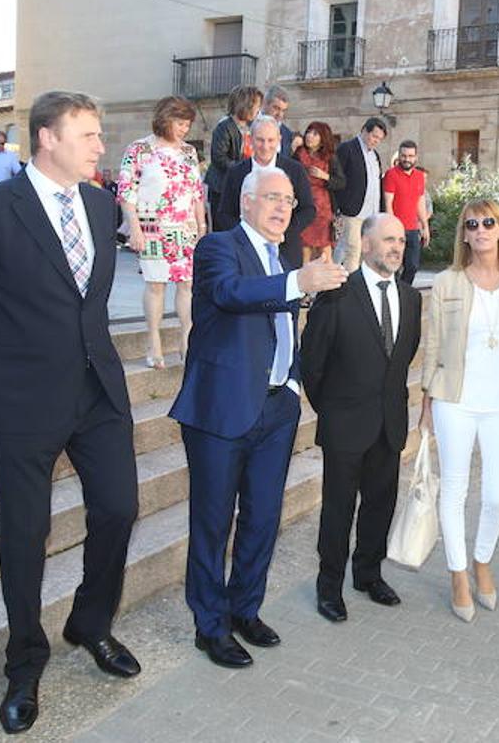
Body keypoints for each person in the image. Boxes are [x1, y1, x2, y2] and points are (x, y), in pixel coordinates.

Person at [0, 91, 141, 734]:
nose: (99, 145)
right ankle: (24, 662)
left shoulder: (102, 205)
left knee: (119, 507)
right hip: (23, 397)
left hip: (96, 390)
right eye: (88, 134)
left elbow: (90, 303)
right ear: (47, 138)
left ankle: (90, 622)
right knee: (25, 535)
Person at [169, 168, 348, 669]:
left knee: (263, 518)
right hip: (222, 409)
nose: (282, 208)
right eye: (272, 198)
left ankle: (245, 608)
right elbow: (230, 294)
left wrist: (290, 384)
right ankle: (210, 626)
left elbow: (282, 324)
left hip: (276, 408)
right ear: (246, 201)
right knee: (212, 522)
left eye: (290, 201)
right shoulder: (217, 248)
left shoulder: (284, 256)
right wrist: (297, 281)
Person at [420, 199, 499, 623]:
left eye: (488, 222)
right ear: (464, 234)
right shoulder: (447, 282)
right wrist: (425, 402)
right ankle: (458, 573)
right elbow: (433, 345)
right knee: (454, 490)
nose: (480, 230)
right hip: (454, 399)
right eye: (471, 224)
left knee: (497, 494)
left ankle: (482, 559)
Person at [302, 214, 422, 622]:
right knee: (338, 510)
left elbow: (403, 360)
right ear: (366, 245)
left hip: (389, 424)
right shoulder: (336, 293)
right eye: (387, 240)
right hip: (344, 424)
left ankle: (368, 574)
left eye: (401, 242)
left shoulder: (411, 298)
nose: (395, 248)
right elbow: (312, 363)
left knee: (380, 505)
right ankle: (329, 587)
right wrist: (333, 410)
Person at [116, 97, 207, 368]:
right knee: (156, 284)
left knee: (187, 285)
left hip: (185, 226)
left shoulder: (189, 152)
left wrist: (202, 227)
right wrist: (134, 228)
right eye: (180, 123)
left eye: (187, 125)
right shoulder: (139, 149)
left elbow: (196, 192)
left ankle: (187, 339)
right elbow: (126, 191)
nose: (184, 129)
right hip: (151, 225)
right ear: (165, 119)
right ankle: (153, 340)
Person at [214, 116, 316, 268]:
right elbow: (224, 214)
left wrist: (281, 232)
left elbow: (308, 210)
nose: (265, 146)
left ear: (279, 139)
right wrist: (246, 236)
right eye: (260, 140)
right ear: (250, 139)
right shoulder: (236, 173)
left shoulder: (295, 170)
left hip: (286, 250)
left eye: (271, 140)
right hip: (245, 253)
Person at [332, 117, 387, 271]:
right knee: (353, 250)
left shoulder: (375, 156)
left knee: (355, 249)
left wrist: (381, 211)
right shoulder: (347, 149)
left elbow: (377, 184)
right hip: (352, 211)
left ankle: (331, 278)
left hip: (371, 213)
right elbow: (337, 179)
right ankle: (351, 290)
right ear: (364, 130)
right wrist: (338, 207)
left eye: (379, 139)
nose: (376, 141)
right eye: (374, 136)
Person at [204, 85, 262, 220]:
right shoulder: (224, 126)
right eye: (256, 105)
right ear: (245, 105)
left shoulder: (249, 127)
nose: (258, 110)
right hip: (222, 188)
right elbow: (219, 158)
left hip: (240, 186)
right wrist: (242, 169)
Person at [294, 121, 344, 263]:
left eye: (315, 134)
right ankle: (304, 283)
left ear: (323, 138)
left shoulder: (330, 157)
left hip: (323, 209)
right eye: (309, 132)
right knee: (304, 250)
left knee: (325, 251)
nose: (310, 136)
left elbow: (341, 182)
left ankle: (327, 284)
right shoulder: (298, 154)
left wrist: (325, 176)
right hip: (303, 204)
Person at [382, 140, 430, 285]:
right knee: (394, 266)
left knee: (413, 266)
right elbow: (388, 203)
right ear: (399, 155)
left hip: (413, 228)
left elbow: (420, 203)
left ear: (416, 157)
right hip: (396, 229)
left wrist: (425, 226)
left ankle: (403, 291)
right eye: (404, 155)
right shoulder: (391, 175)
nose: (407, 159)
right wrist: (391, 228)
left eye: (410, 156)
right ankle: (394, 292)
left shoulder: (419, 176)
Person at [261, 84, 297, 159]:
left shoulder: (287, 134)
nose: (280, 115)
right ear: (264, 104)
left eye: (283, 110)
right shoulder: (248, 125)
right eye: (276, 108)